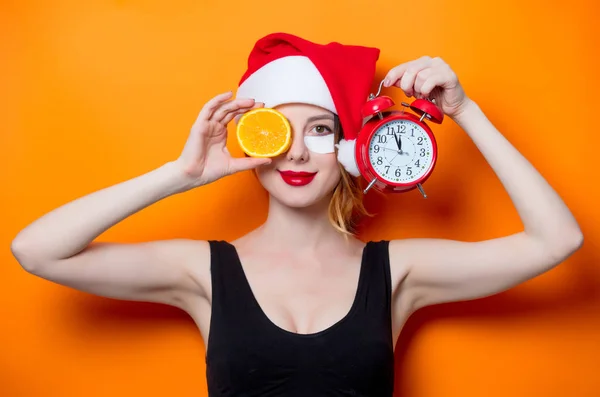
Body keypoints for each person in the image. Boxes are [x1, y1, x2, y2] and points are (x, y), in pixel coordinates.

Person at [10, 32, 583, 396]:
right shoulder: (203, 272)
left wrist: (465, 110)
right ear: (254, 141)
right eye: (279, 131)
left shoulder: (397, 272)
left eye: (321, 129)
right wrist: (178, 176)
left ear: (354, 150)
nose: (298, 153)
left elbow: (556, 240)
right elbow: (36, 250)